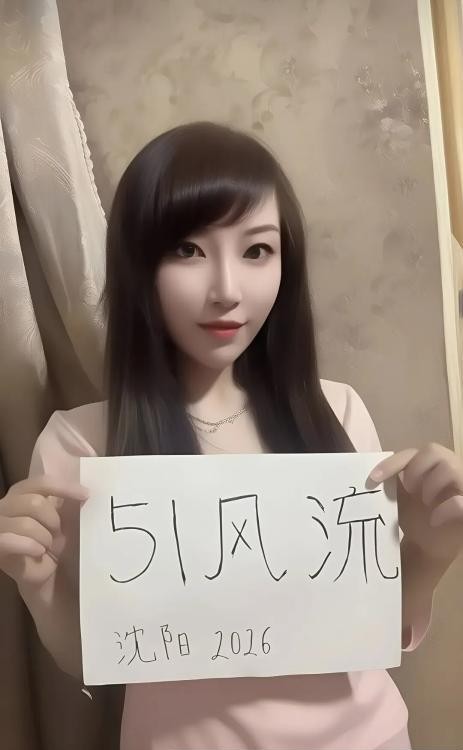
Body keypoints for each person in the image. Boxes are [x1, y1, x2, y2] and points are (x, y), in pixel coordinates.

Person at [1, 122, 463, 750]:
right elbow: (98, 659)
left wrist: (430, 552)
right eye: (187, 249)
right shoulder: (79, 445)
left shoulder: (339, 410)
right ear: (138, 264)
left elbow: (372, 630)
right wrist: (39, 584)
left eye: (257, 251)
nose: (226, 291)